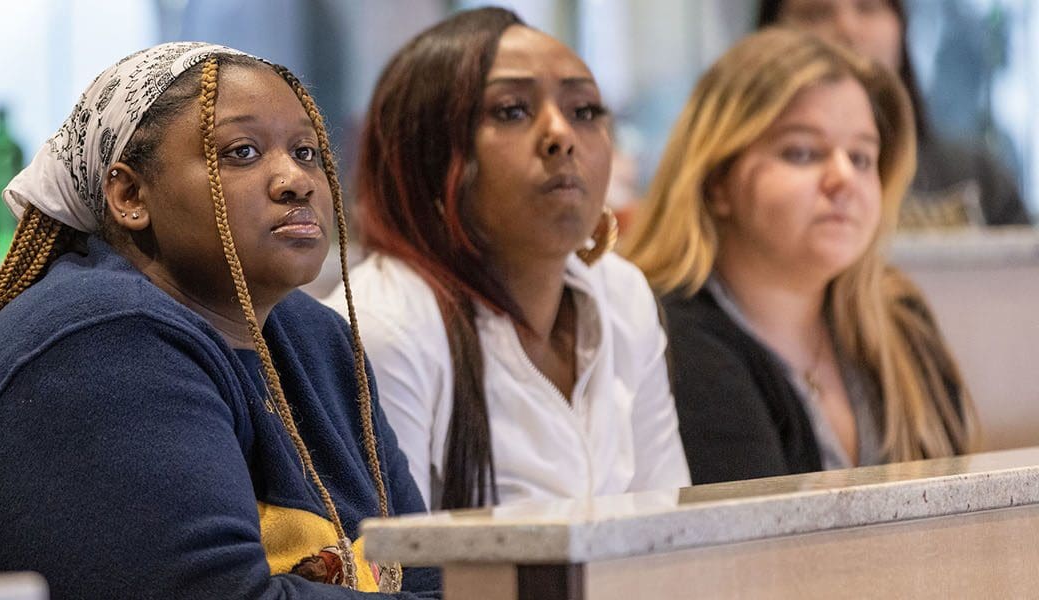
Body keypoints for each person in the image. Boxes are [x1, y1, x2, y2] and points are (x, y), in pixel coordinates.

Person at [0, 42, 439, 598]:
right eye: (242, 152)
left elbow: (432, 575)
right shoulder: (98, 342)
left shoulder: (317, 341)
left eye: (307, 151)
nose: (296, 180)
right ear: (130, 197)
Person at [326, 8, 689, 510]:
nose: (561, 135)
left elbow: (672, 534)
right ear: (426, 156)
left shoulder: (621, 293)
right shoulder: (381, 322)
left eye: (584, 110)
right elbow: (385, 575)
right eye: (512, 111)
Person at [626, 28, 978, 485]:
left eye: (862, 157)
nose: (842, 179)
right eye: (802, 152)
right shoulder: (670, 337)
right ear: (717, 183)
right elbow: (758, 552)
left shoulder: (900, 320)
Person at [757, 0, 1030, 227]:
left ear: (901, 25)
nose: (846, 30)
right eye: (815, 13)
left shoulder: (976, 175)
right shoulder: (748, 171)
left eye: (867, 7)